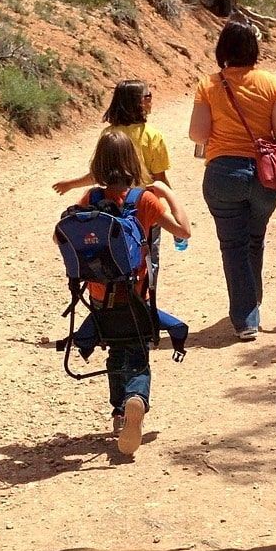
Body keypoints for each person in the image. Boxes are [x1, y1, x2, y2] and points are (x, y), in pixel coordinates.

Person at [69, 130, 191, 458]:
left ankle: (119, 412)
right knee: (136, 352)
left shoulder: (90, 200)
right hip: (135, 297)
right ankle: (135, 398)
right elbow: (184, 230)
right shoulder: (144, 200)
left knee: (115, 352)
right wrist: (167, 192)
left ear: (98, 163)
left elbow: (61, 240)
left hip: (98, 298)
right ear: (132, 162)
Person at [189, 19, 276, 342]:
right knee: (255, 238)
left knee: (233, 245)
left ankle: (245, 317)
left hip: (224, 173)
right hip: (265, 176)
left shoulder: (209, 85)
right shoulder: (270, 84)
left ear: (222, 49)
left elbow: (197, 133)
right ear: (254, 48)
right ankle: (253, 300)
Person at [53, 80, 176, 283]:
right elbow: (160, 179)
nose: (151, 100)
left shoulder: (108, 134)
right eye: (148, 96)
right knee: (148, 259)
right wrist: (168, 211)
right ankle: (144, 301)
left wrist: (71, 184)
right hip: (145, 207)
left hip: (112, 208)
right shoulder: (153, 136)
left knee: (117, 255)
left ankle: (113, 300)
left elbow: (100, 172)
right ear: (137, 103)